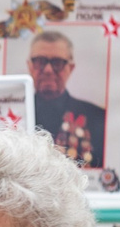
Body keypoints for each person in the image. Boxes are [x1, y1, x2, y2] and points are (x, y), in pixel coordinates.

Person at [25, 29, 109, 185]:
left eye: (57, 62)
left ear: (71, 68)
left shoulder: (98, 118)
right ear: (30, 66)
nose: (48, 70)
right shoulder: (12, 119)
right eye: (40, 61)